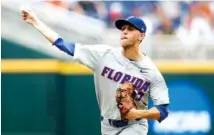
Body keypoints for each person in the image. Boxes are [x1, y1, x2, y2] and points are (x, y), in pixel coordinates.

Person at [21, 7, 170, 135]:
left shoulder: (151, 71)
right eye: (123, 29)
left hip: (135, 125)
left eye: (130, 29)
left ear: (141, 36)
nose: (124, 32)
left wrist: (137, 113)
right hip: (107, 125)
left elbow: (163, 110)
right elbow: (64, 45)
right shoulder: (103, 54)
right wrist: (36, 22)